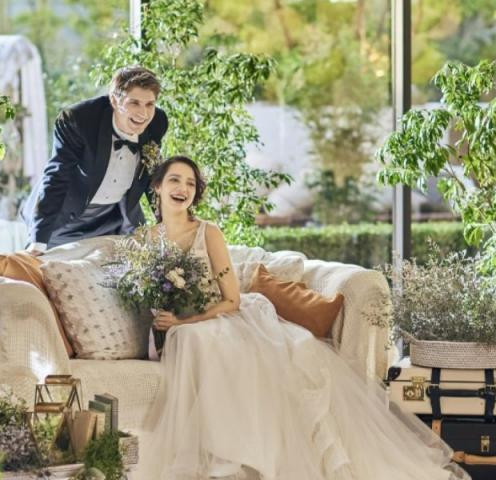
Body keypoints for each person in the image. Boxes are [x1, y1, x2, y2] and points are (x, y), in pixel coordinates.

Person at [135, 156, 468, 480]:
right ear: (158, 187)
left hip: (222, 317)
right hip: (177, 324)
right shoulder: (145, 239)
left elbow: (232, 300)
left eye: (190, 183)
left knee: (195, 337)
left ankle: (234, 464)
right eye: (175, 180)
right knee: (187, 338)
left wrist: (185, 321)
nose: (183, 188)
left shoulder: (208, 233)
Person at [21, 66, 168, 254]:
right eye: (134, 103)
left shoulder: (157, 123)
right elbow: (57, 176)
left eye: (150, 104)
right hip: (64, 218)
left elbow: (152, 175)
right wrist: (38, 241)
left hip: (113, 219)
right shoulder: (78, 120)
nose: (144, 114)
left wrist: (168, 222)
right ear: (114, 100)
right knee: (47, 267)